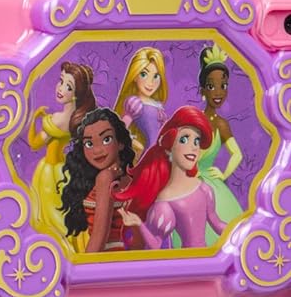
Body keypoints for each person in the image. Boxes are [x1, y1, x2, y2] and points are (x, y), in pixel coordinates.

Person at [116, 106, 225, 250]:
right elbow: (155, 245)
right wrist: (139, 224)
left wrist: (243, 229)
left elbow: (217, 224)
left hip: (208, 258)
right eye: (184, 139)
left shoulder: (204, 189)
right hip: (187, 262)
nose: (194, 147)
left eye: (197, 141)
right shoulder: (164, 203)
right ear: (169, 145)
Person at [28, 61, 96, 248]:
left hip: (49, 172)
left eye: (68, 86)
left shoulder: (57, 120)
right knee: (62, 211)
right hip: (64, 170)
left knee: (50, 215)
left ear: (76, 94)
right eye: (61, 81)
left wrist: (34, 118)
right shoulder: (77, 119)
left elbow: (34, 144)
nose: (60, 88)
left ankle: (56, 248)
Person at [59, 108, 136, 253]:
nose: (97, 150)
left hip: (106, 257)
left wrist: (86, 265)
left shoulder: (105, 178)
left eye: (106, 139)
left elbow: (99, 239)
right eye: (89, 144)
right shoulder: (124, 177)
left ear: (120, 142)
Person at [197, 44, 243, 244]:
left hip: (213, 188)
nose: (217, 92)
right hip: (190, 186)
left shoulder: (221, 124)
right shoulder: (195, 119)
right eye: (211, 86)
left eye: (223, 86)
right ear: (202, 90)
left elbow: (237, 154)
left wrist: (223, 175)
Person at [114, 47, 168, 158]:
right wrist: (136, 145)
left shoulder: (157, 105)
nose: (150, 82)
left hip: (162, 152)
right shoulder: (135, 103)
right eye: (144, 74)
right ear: (134, 76)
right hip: (148, 155)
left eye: (156, 76)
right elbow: (120, 130)